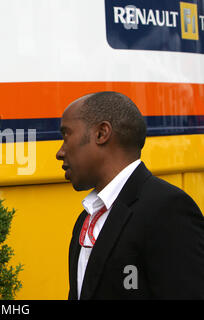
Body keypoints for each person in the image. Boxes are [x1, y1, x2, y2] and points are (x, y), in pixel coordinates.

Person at [56, 91, 204, 299]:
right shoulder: (87, 218)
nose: (59, 152)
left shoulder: (168, 209)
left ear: (101, 133)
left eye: (66, 135)